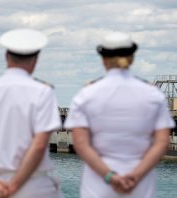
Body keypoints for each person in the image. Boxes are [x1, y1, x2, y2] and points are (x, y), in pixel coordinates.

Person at [64, 32, 175, 198]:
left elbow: (81, 145)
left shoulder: (86, 95)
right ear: (132, 58)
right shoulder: (153, 95)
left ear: (103, 59)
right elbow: (162, 144)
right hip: (140, 185)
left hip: (98, 185)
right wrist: (136, 175)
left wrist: (110, 177)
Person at [0, 28, 63, 198]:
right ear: (35, 60)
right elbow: (38, 146)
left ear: (6, 57)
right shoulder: (42, 92)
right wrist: (15, 185)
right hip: (34, 185)